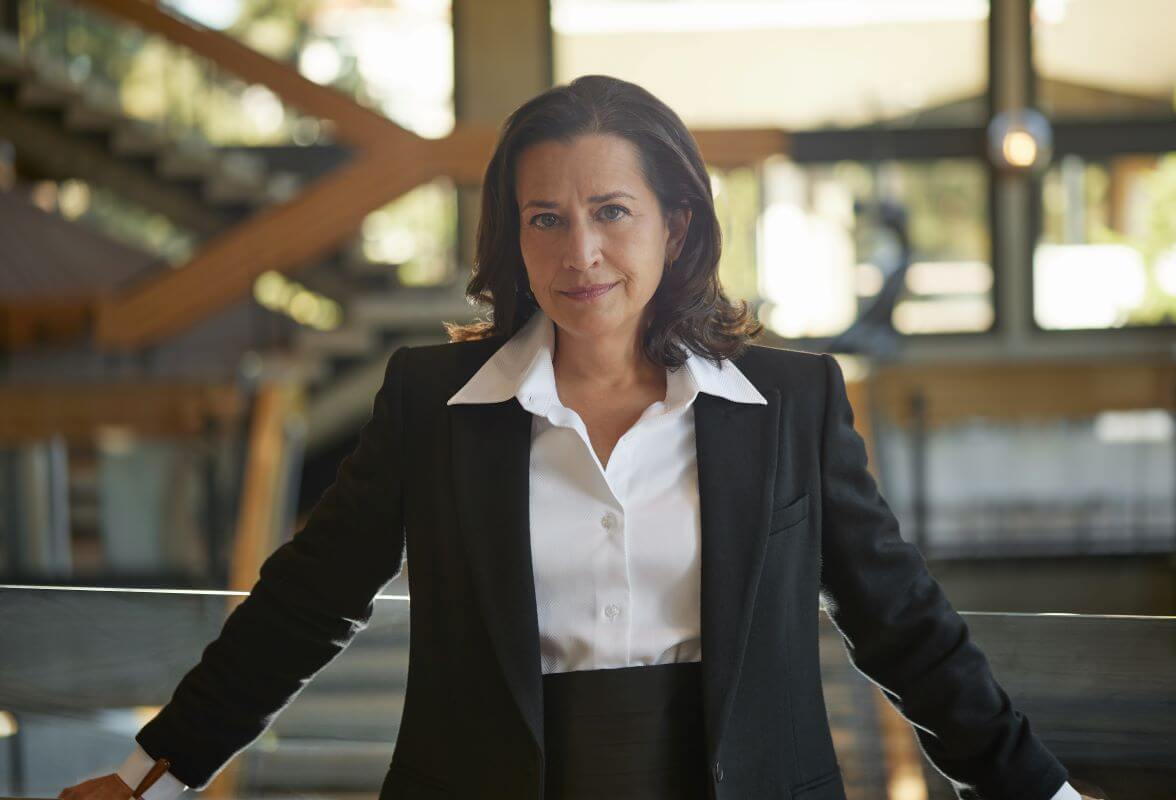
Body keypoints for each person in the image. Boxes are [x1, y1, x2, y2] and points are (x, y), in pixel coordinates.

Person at [59, 74, 1101, 800]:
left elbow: (905, 627)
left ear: (676, 224)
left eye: (612, 211)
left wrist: (1040, 788)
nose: (580, 251)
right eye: (545, 218)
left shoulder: (790, 404)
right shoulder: (435, 403)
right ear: (512, 233)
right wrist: (154, 774)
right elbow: (303, 603)